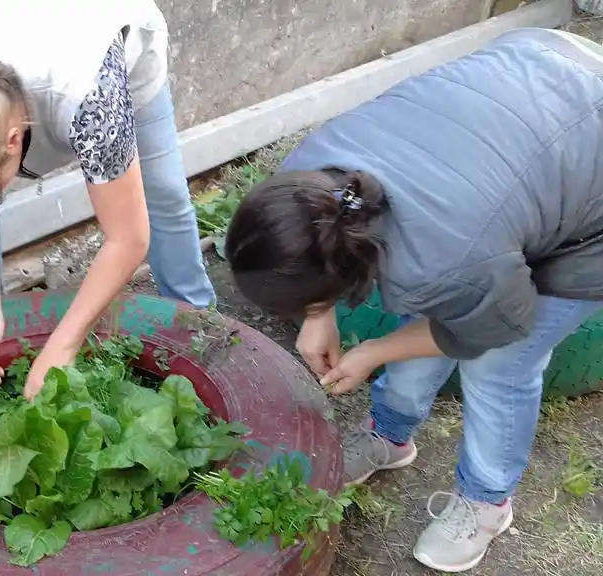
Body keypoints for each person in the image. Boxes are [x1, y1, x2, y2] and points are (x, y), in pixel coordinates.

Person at [222, 27, 603, 573]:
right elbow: (330, 246)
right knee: (435, 301)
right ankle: (389, 436)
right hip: (532, 88)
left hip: (584, 150)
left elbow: (487, 326)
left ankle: (487, 502)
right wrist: (316, 315)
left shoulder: (443, 261)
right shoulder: (308, 184)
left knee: (500, 364)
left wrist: (373, 352)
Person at [0, 0, 215, 398]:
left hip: (98, 35)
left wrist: (63, 345)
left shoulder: (91, 95)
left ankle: (197, 326)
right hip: (28, 41)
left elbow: (127, 239)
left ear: (14, 142)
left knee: (161, 192)